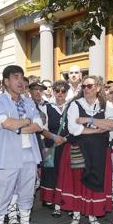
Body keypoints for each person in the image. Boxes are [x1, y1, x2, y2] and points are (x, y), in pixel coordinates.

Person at [0, 65, 44, 224]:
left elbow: (39, 125)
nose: (20, 81)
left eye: (22, 77)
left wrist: (18, 126)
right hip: (7, 154)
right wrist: (26, 122)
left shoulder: (29, 102)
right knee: (2, 193)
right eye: (15, 77)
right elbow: (5, 123)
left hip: (29, 152)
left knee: (27, 191)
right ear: (6, 81)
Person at [55, 76, 113, 224]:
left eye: (89, 86)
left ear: (97, 87)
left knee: (95, 180)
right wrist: (97, 129)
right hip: (78, 148)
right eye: (84, 87)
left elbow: (111, 125)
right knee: (78, 181)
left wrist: (87, 119)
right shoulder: (75, 104)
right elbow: (74, 130)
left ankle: (93, 215)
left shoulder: (106, 104)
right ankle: (76, 215)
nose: (86, 89)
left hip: (99, 151)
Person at [39, 80, 69, 216]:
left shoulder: (72, 106)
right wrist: (54, 137)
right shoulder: (46, 107)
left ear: (67, 92)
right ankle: (55, 204)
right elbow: (41, 128)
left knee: (66, 175)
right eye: (57, 91)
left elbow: (75, 127)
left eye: (63, 91)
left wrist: (64, 139)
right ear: (54, 92)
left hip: (67, 145)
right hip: (50, 145)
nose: (60, 93)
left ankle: (65, 203)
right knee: (51, 174)